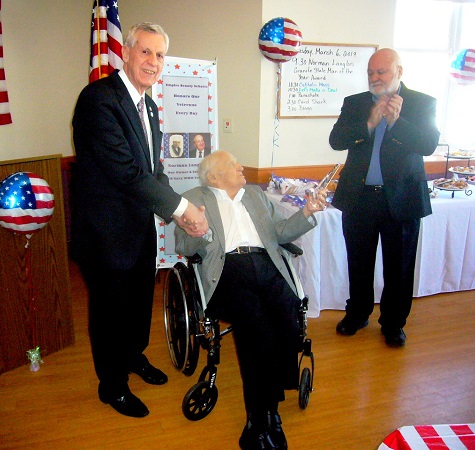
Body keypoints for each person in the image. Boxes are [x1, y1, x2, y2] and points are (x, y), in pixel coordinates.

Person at [71, 22, 208, 418]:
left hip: (138, 228)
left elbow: (153, 168)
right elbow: (127, 172)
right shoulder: (99, 100)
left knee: (136, 305)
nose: (153, 62)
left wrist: (176, 209)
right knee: (110, 312)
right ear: (126, 53)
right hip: (105, 233)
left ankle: (133, 357)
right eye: (145, 52)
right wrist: (182, 210)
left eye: (160, 55)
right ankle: (111, 386)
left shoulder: (148, 105)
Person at [174, 151, 327, 450]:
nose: (240, 167)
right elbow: (182, 244)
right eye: (233, 164)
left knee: (288, 315)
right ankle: (259, 420)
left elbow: (281, 232)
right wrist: (200, 232)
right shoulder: (193, 197)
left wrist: (307, 212)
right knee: (256, 328)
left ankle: (270, 408)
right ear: (213, 176)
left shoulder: (255, 195)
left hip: (267, 263)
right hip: (228, 270)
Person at [329, 48, 440, 348]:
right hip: (359, 199)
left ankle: (393, 323)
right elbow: (336, 139)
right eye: (371, 72)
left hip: (402, 200)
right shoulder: (356, 104)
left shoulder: (421, 102)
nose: (375, 78)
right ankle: (358, 314)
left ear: (399, 72)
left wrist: (395, 122)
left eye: (382, 72)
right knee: (359, 261)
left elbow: (429, 144)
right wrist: (369, 123)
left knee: (399, 267)